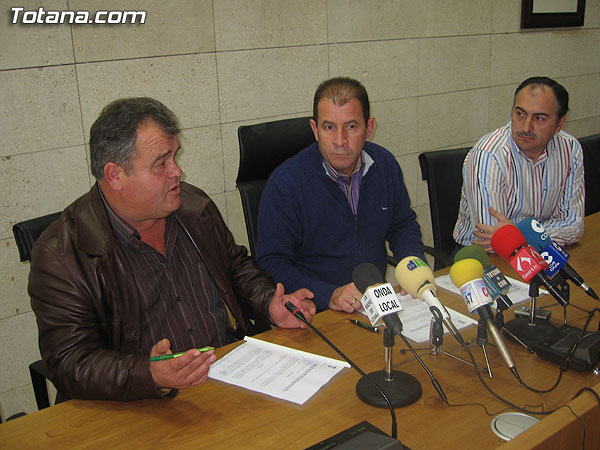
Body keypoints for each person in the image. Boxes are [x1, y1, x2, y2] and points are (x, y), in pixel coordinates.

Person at [29, 97, 315, 402]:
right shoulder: (61, 254)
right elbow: (71, 362)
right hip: (141, 404)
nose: (177, 172)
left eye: (174, 157)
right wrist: (148, 375)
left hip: (231, 374)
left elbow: (235, 267)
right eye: (161, 163)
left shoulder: (194, 207)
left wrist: (269, 303)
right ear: (115, 175)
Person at [256, 77, 424, 312]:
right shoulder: (286, 183)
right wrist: (328, 294)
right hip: (318, 312)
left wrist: (413, 268)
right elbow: (272, 263)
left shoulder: (384, 164)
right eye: (329, 127)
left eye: (351, 126)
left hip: (376, 303)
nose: (340, 141)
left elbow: (402, 224)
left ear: (370, 128)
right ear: (315, 130)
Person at [453, 76, 584, 252]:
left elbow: (574, 226)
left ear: (560, 123)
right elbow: (493, 240)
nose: (526, 127)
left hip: (543, 250)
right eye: (520, 114)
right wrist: (537, 234)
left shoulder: (570, 149)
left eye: (539, 118)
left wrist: (519, 235)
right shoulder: (488, 156)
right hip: (483, 259)